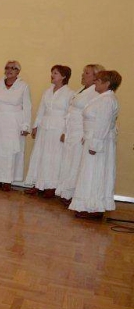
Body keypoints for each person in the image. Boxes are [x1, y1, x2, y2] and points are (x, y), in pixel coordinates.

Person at [69, 70, 122, 219]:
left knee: (95, 173)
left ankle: (94, 207)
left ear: (107, 83)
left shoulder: (107, 100)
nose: (95, 82)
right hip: (92, 139)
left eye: (98, 80)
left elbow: (102, 125)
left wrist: (95, 145)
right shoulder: (102, 98)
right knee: (89, 173)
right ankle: (88, 205)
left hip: (99, 144)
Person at [55, 64, 104, 205]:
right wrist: (65, 131)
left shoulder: (96, 93)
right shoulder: (81, 90)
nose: (83, 75)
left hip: (81, 132)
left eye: (86, 73)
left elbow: (93, 116)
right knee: (68, 161)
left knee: (76, 163)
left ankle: (73, 194)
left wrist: (86, 134)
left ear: (95, 77)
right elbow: (70, 111)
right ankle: (65, 191)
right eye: (83, 72)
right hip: (71, 130)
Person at [24, 65, 74, 198]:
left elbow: (70, 114)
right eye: (52, 73)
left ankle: (51, 186)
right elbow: (41, 109)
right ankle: (38, 184)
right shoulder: (47, 91)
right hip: (44, 127)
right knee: (41, 155)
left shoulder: (70, 93)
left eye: (56, 73)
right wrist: (35, 126)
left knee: (54, 157)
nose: (52, 75)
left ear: (64, 76)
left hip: (58, 128)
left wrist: (66, 131)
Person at [0, 61, 31, 191]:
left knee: (10, 150)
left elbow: (27, 107)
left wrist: (26, 125)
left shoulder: (23, 86)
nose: (9, 70)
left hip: (13, 122)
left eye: (13, 68)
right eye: (7, 68)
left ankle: (7, 180)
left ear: (18, 71)